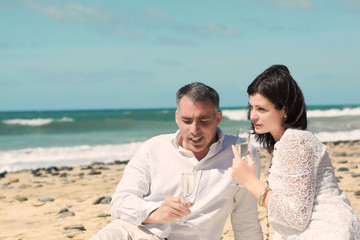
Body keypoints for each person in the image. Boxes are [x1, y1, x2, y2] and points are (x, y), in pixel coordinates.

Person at [91, 82, 263, 240]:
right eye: (187, 121)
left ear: (218, 118)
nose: (194, 130)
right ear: (176, 117)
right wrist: (156, 213)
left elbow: (245, 220)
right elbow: (120, 203)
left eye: (204, 121)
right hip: (139, 233)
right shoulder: (153, 148)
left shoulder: (240, 153)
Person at [231, 64, 360, 239]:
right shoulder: (287, 141)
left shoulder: (295, 141)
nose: (252, 116)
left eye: (261, 109)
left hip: (325, 232)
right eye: (251, 107)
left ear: (284, 110)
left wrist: (250, 181)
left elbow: (297, 216)